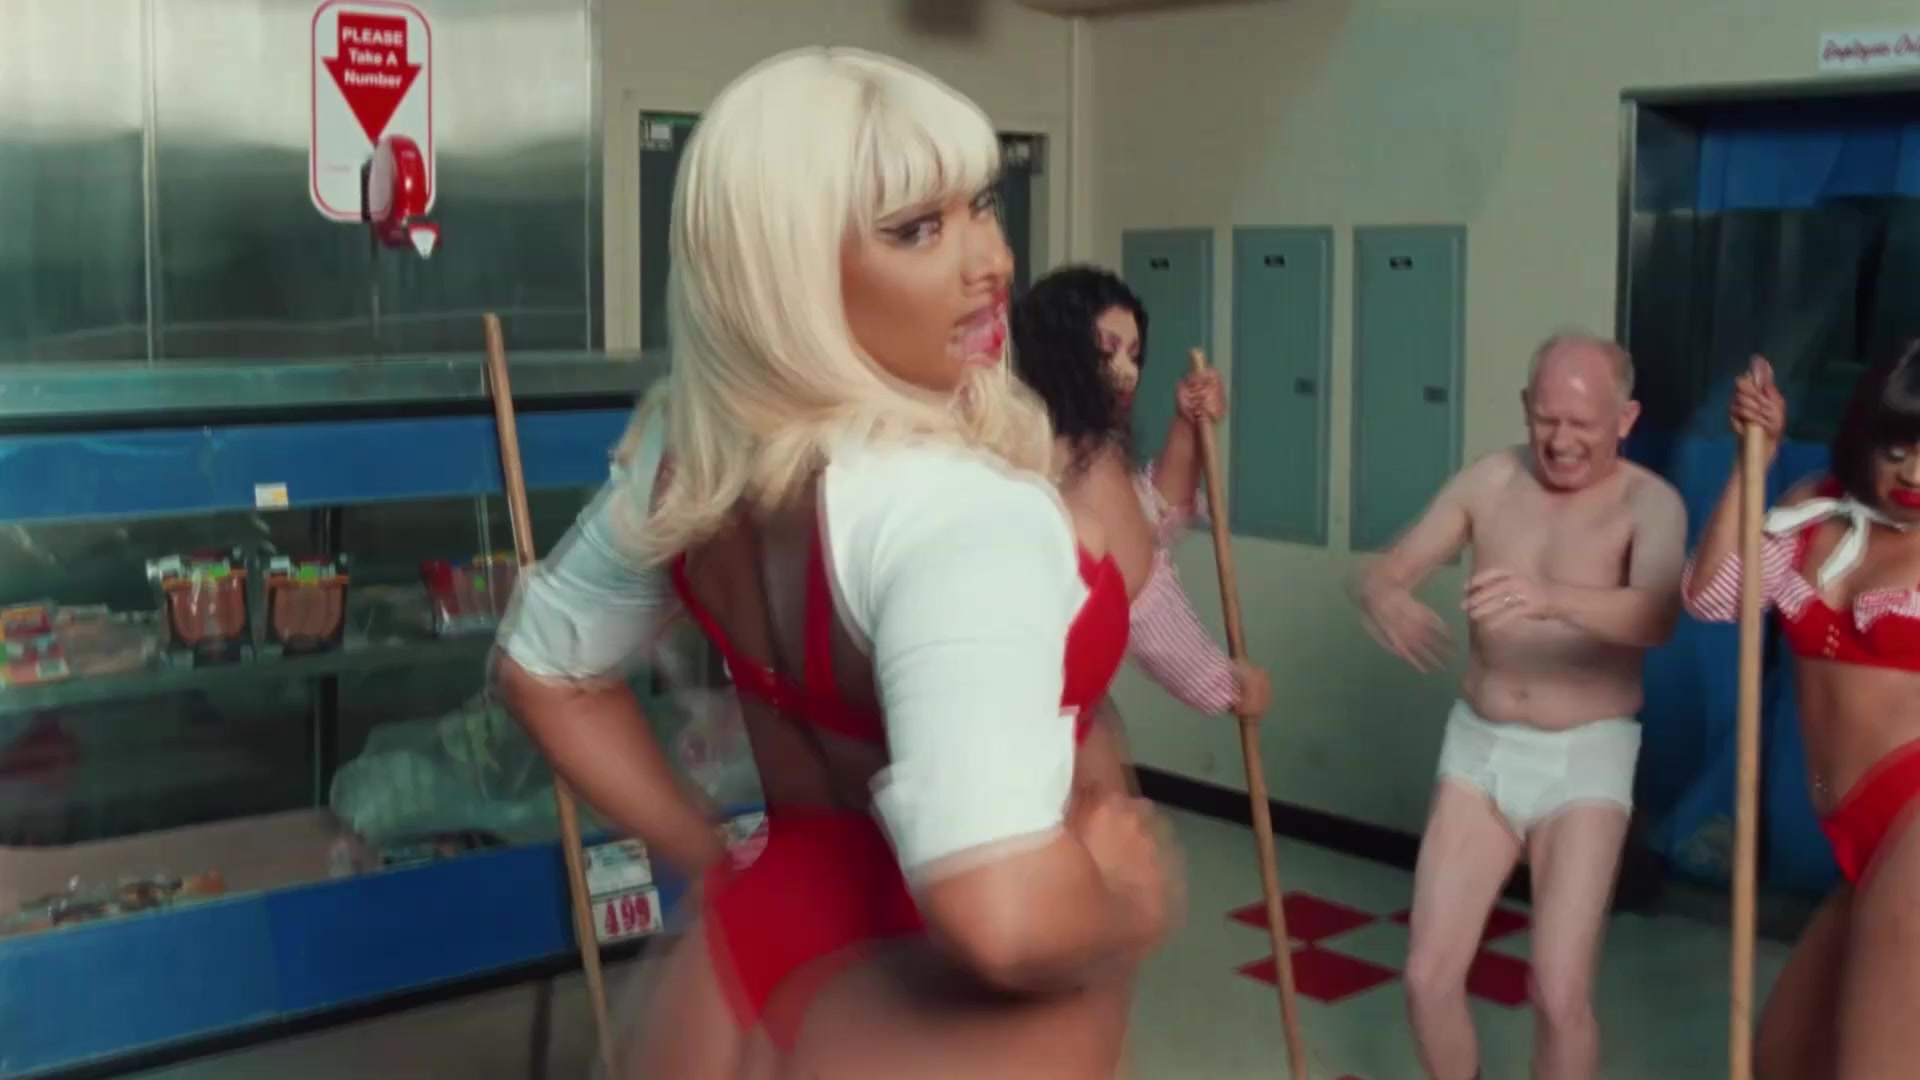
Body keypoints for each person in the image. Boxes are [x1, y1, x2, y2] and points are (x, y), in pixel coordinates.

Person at [490, 47, 1178, 1078]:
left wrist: (712, 864)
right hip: (940, 993)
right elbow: (1000, 915)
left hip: (751, 947)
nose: (992, 260)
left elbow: (543, 670)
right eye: (917, 229)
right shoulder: (956, 510)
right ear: (791, 276)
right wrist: (1125, 898)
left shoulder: (687, 457)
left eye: (981, 204)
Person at [1352, 331, 1689, 1080]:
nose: (1560, 442)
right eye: (1546, 419)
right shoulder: (1490, 480)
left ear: (1625, 419)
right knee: (1426, 977)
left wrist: (1550, 598)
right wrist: (1383, 594)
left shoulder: (1651, 504)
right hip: (1480, 746)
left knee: (1557, 993)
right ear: (1525, 407)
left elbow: (1657, 616)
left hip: (1587, 757)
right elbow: (1381, 569)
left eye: (1582, 424)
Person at [1684, 346, 1920, 1079]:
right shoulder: (1814, 505)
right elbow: (1713, 597)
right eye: (1897, 448)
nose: (1914, 474)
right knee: (1782, 1063)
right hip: (1856, 834)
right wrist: (1754, 461)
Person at [1010, 265, 1272, 730]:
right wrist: (1227, 686)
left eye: (1133, 355)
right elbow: (1144, 601)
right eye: (1106, 352)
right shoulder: (1081, 463)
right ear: (1059, 353)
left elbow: (1150, 518)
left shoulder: (1054, 438)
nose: (1127, 373)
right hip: (1037, 709)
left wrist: (1187, 425)